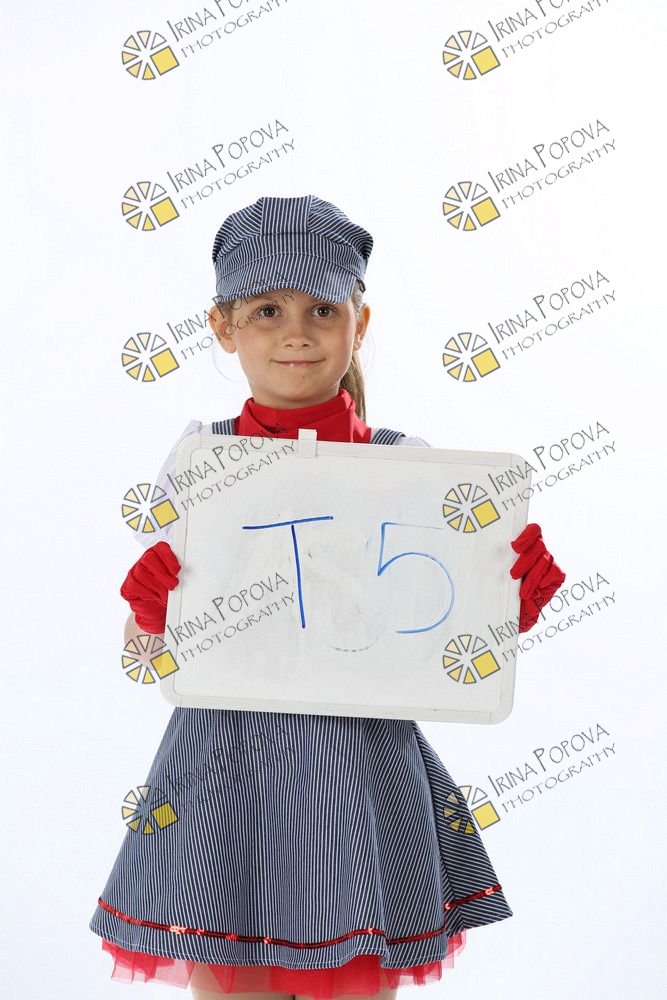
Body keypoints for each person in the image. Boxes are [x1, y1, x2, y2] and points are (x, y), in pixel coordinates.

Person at [88, 194, 565, 1000]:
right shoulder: (199, 463)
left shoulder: (410, 468)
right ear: (222, 328)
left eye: (321, 309)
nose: (297, 333)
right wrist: (149, 612)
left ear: (359, 323)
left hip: (360, 772)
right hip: (224, 772)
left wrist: (504, 600)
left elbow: (438, 643)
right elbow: (148, 661)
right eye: (266, 311)